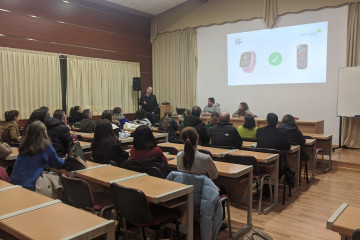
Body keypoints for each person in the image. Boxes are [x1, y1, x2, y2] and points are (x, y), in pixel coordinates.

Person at [10, 121, 65, 190]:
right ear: (43, 132)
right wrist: (66, 161)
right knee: (59, 181)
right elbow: (58, 164)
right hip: (30, 185)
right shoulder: (45, 144)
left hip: (14, 182)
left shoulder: (24, 144)